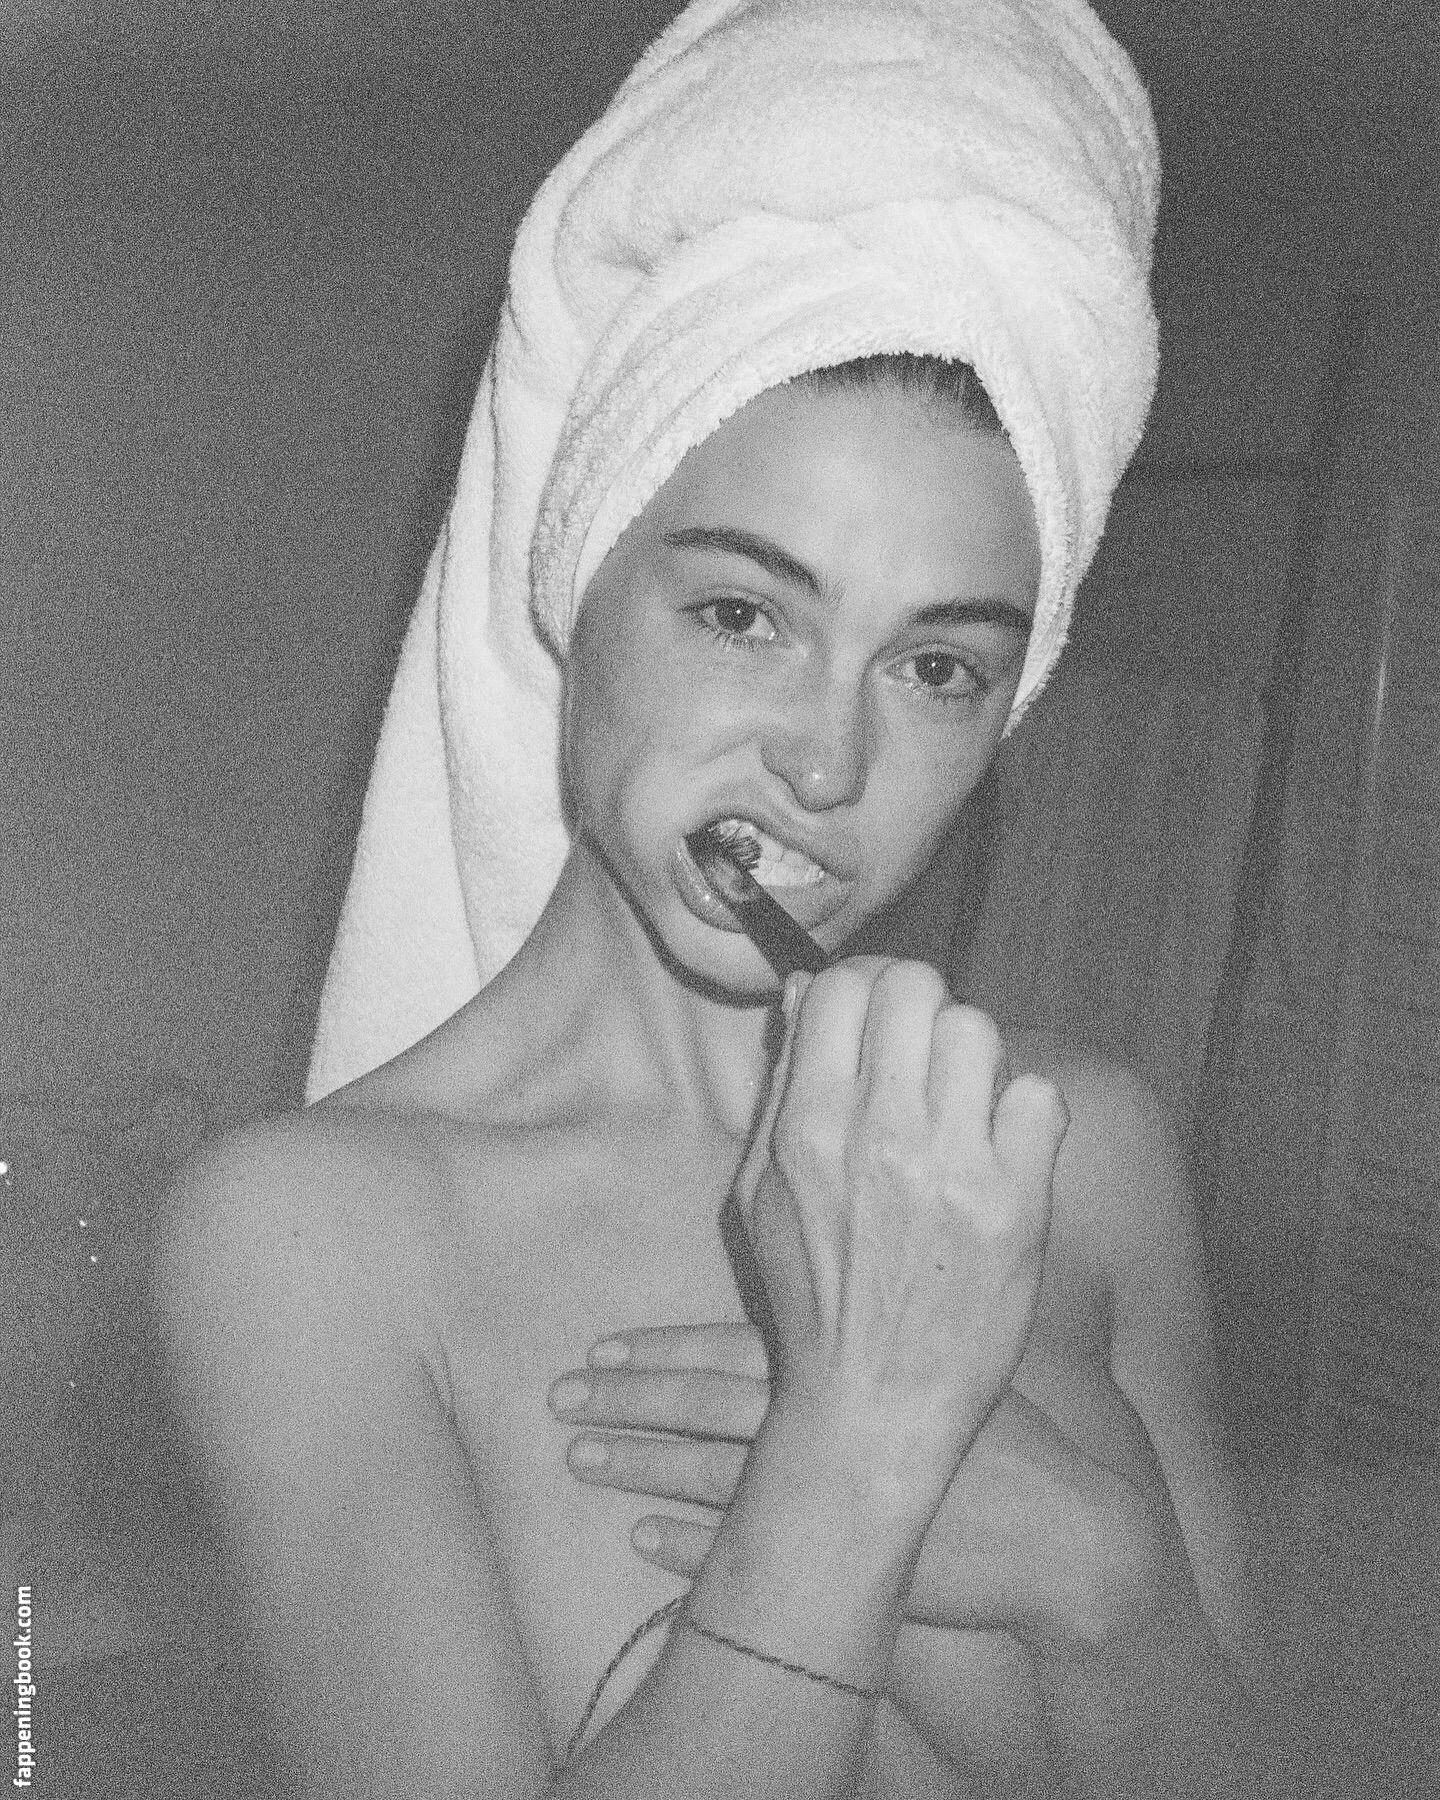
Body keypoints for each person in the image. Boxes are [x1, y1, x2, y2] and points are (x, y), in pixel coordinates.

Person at [155, 4, 1265, 1796]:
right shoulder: (310, 1238)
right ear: (575, 574)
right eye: (744, 615)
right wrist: (856, 1455)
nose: (824, 764)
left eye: (938, 668)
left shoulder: (1089, 1155)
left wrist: (1110, 1589)